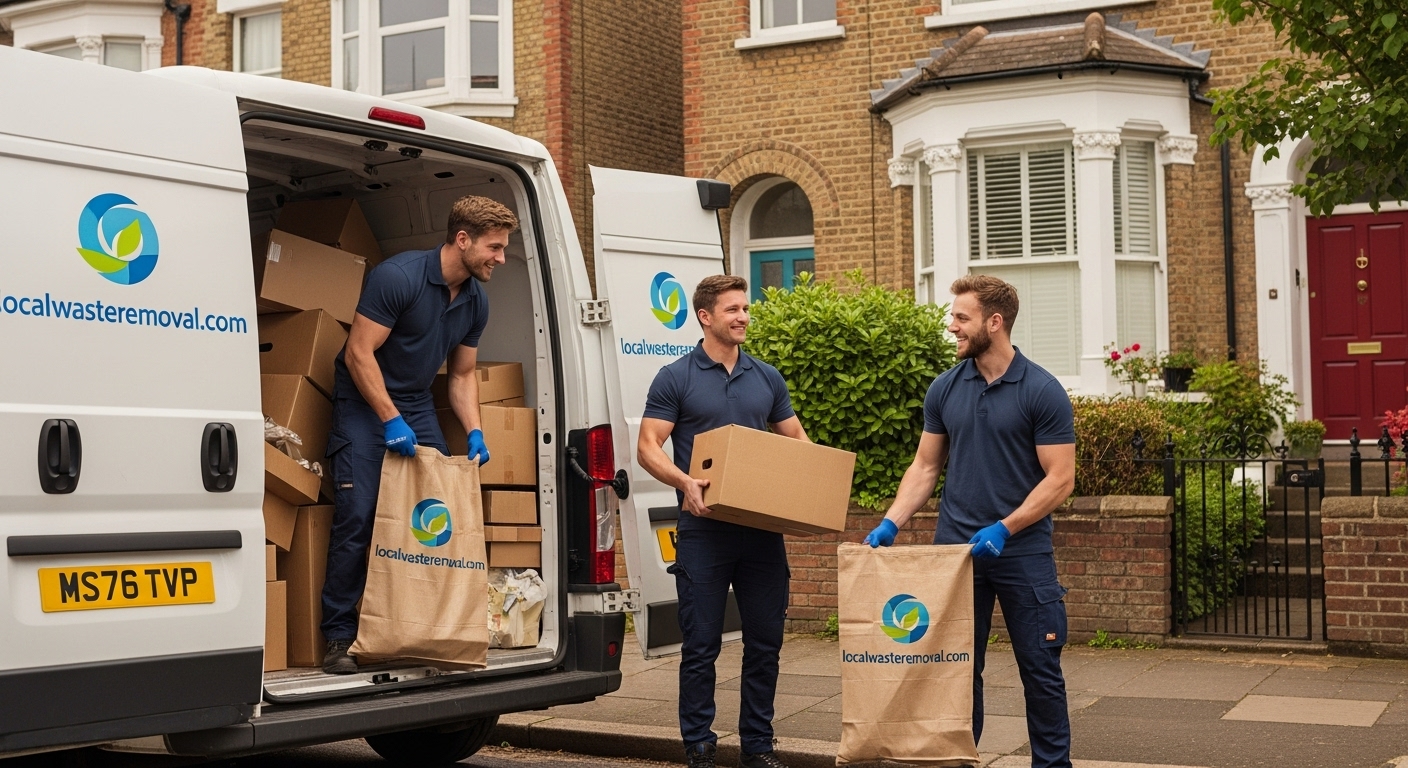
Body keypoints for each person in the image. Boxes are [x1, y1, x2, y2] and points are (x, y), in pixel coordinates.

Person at [863, 274, 1076, 768]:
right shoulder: (945, 388)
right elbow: (925, 466)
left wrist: (1006, 527)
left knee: (1041, 671)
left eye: (962, 317)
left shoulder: (1041, 390)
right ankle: (958, 761)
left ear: (994, 322)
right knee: (955, 673)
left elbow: (1060, 478)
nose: (952, 326)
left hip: (1023, 555)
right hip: (955, 558)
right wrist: (891, 522)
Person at [319, 195, 518, 674]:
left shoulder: (475, 300)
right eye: (494, 247)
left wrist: (474, 431)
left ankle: (422, 625)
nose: (501, 258)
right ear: (462, 239)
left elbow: (462, 375)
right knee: (360, 514)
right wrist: (389, 419)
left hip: (416, 404)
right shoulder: (399, 278)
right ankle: (339, 634)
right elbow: (359, 354)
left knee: (434, 514)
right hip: (364, 402)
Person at [637, 275, 809, 768]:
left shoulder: (766, 377)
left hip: (760, 532)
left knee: (765, 644)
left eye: (745, 309)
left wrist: (813, 487)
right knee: (701, 644)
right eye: (733, 309)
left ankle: (758, 747)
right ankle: (699, 745)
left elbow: (798, 442)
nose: (743, 317)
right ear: (705, 316)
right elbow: (648, 447)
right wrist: (685, 482)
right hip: (703, 530)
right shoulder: (676, 377)